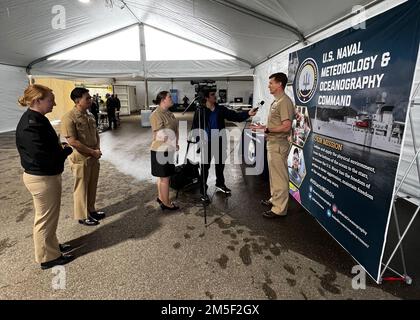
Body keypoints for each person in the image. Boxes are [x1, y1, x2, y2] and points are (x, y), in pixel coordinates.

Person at [16, 84, 74, 269]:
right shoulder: (30, 125)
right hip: (42, 178)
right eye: (50, 100)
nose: (54, 103)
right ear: (36, 101)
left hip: (45, 176)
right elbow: (42, 156)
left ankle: (52, 246)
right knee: (45, 218)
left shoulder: (37, 119)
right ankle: (48, 257)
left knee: (50, 217)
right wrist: (64, 151)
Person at [191, 89, 257, 202]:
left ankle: (220, 184)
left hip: (220, 141)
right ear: (206, 97)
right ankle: (203, 190)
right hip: (206, 143)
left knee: (220, 165)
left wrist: (248, 114)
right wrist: (198, 142)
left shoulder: (220, 109)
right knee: (205, 168)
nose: (215, 96)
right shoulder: (200, 111)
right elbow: (195, 128)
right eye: (212, 95)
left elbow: (234, 116)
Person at [252, 72, 295, 218]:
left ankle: (279, 209)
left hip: (278, 144)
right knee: (274, 177)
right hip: (272, 143)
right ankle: (275, 199)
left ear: (279, 84)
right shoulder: (277, 101)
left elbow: (286, 126)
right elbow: (276, 124)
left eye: (271, 83)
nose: (268, 85)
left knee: (280, 178)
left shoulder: (284, 102)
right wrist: (262, 127)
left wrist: (267, 129)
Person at [61, 87, 105, 226]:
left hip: (93, 156)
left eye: (90, 97)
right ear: (77, 100)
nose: (90, 100)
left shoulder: (90, 115)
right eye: (87, 98)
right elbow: (72, 141)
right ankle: (82, 215)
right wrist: (92, 152)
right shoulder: (69, 117)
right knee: (81, 187)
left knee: (92, 185)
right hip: (81, 158)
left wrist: (97, 149)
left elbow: (96, 134)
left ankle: (91, 210)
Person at [150, 91, 180, 211]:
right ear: (163, 100)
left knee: (162, 177)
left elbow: (174, 129)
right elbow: (161, 135)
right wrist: (173, 143)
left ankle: (161, 198)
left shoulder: (169, 113)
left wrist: (175, 143)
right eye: (169, 97)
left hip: (168, 149)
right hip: (160, 150)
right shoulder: (156, 114)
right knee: (165, 178)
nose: (171, 99)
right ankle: (166, 203)